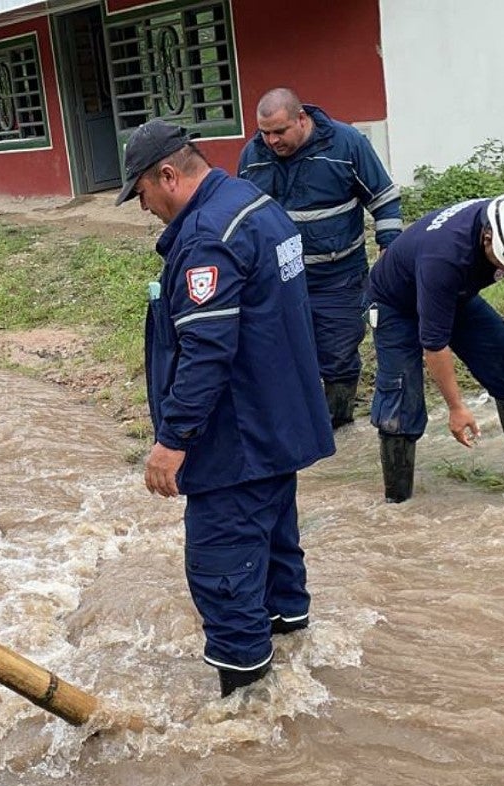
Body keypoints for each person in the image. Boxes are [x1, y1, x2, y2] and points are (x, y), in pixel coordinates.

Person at [115, 120, 335, 696]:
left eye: (141, 193)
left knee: (222, 571)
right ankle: (292, 662)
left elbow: (207, 349)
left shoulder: (208, 236)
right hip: (276, 429)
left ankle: (247, 712)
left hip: (234, 443)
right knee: (276, 554)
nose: (144, 209)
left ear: (167, 175)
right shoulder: (256, 204)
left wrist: (172, 440)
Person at [365, 188, 504, 502]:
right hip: (395, 304)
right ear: (487, 239)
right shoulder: (443, 256)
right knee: (401, 400)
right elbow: (434, 344)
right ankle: (398, 501)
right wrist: (456, 408)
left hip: (456, 296)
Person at [238, 88, 402, 428]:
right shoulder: (252, 155)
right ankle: (297, 423)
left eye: (279, 132)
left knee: (338, 355)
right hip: (279, 278)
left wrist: (390, 250)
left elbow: (383, 199)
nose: (271, 141)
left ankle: (336, 423)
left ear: (301, 119)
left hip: (338, 276)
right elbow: (243, 215)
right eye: (265, 133)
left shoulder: (346, 144)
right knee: (283, 353)